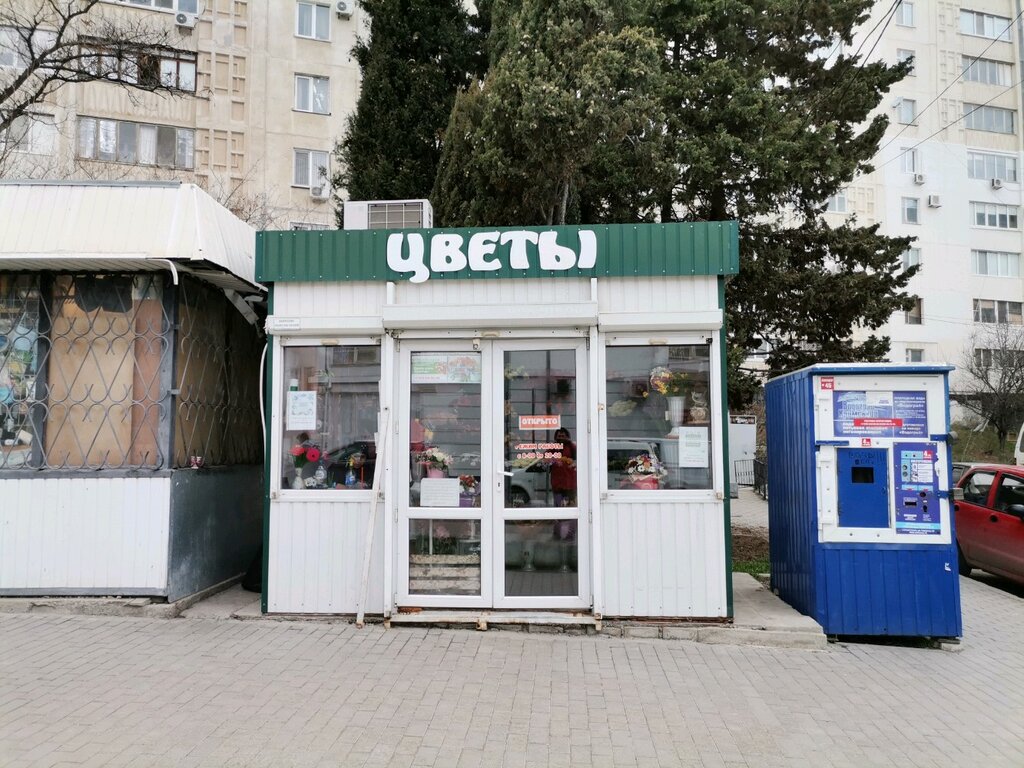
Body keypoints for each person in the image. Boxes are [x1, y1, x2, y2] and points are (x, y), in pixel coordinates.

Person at [551, 427, 577, 507]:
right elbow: (545, 458)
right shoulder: (553, 447)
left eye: (563, 436)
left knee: (570, 506)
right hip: (557, 483)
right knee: (558, 505)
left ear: (567, 437)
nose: (561, 438)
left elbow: (579, 459)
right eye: (559, 436)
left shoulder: (571, 446)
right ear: (556, 437)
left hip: (569, 483)